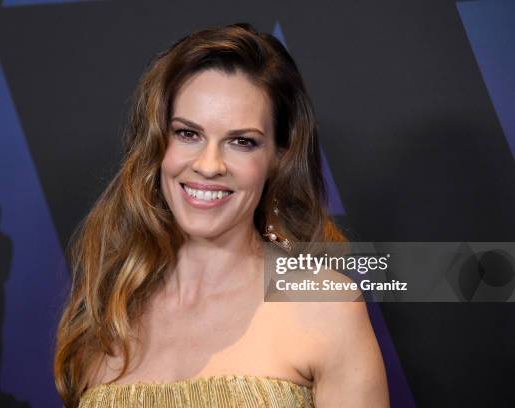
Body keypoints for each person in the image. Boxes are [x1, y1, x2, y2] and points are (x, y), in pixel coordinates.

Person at [53, 23, 389, 408]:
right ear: (156, 142)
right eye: (187, 134)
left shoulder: (327, 308)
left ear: (278, 158)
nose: (209, 165)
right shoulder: (107, 308)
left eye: (241, 142)